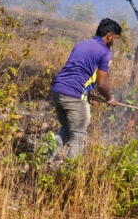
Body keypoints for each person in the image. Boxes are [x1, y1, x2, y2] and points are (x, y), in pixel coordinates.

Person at [49, 18, 121, 159]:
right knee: (78, 137)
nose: (114, 42)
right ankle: (71, 175)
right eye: (115, 38)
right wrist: (110, 99)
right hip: (73, 95)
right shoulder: (105, 52)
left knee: (67, 130)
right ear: (109, 36)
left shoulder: (82, 44)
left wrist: (87, 95)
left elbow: (76, 73)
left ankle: (41, 160)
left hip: (57, 90)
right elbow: (101, 84)